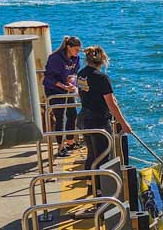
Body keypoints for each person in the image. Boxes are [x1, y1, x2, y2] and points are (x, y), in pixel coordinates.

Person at [76, 46, 131, 178]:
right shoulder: (102, 78)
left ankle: (91, 183)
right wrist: (123, 123)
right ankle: (101, 188)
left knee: (92, 154)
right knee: (103, 156)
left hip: (84, 117)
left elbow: (84, 94)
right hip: (98, 120)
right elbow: (111, 104)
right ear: (103, 60)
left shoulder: (81, 74)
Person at [43, 35, 81, 153]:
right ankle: (60, 146)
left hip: (67, 89)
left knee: (72, 114)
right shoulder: (55, 58)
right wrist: (64, 86)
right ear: (69, 47)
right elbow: (48, 78)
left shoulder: (76, 59)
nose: (78, 52)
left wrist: (72, 83)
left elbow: (74, 73)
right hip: (54, 90)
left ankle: (70, 141)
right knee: (59, 117)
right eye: (76, 49)